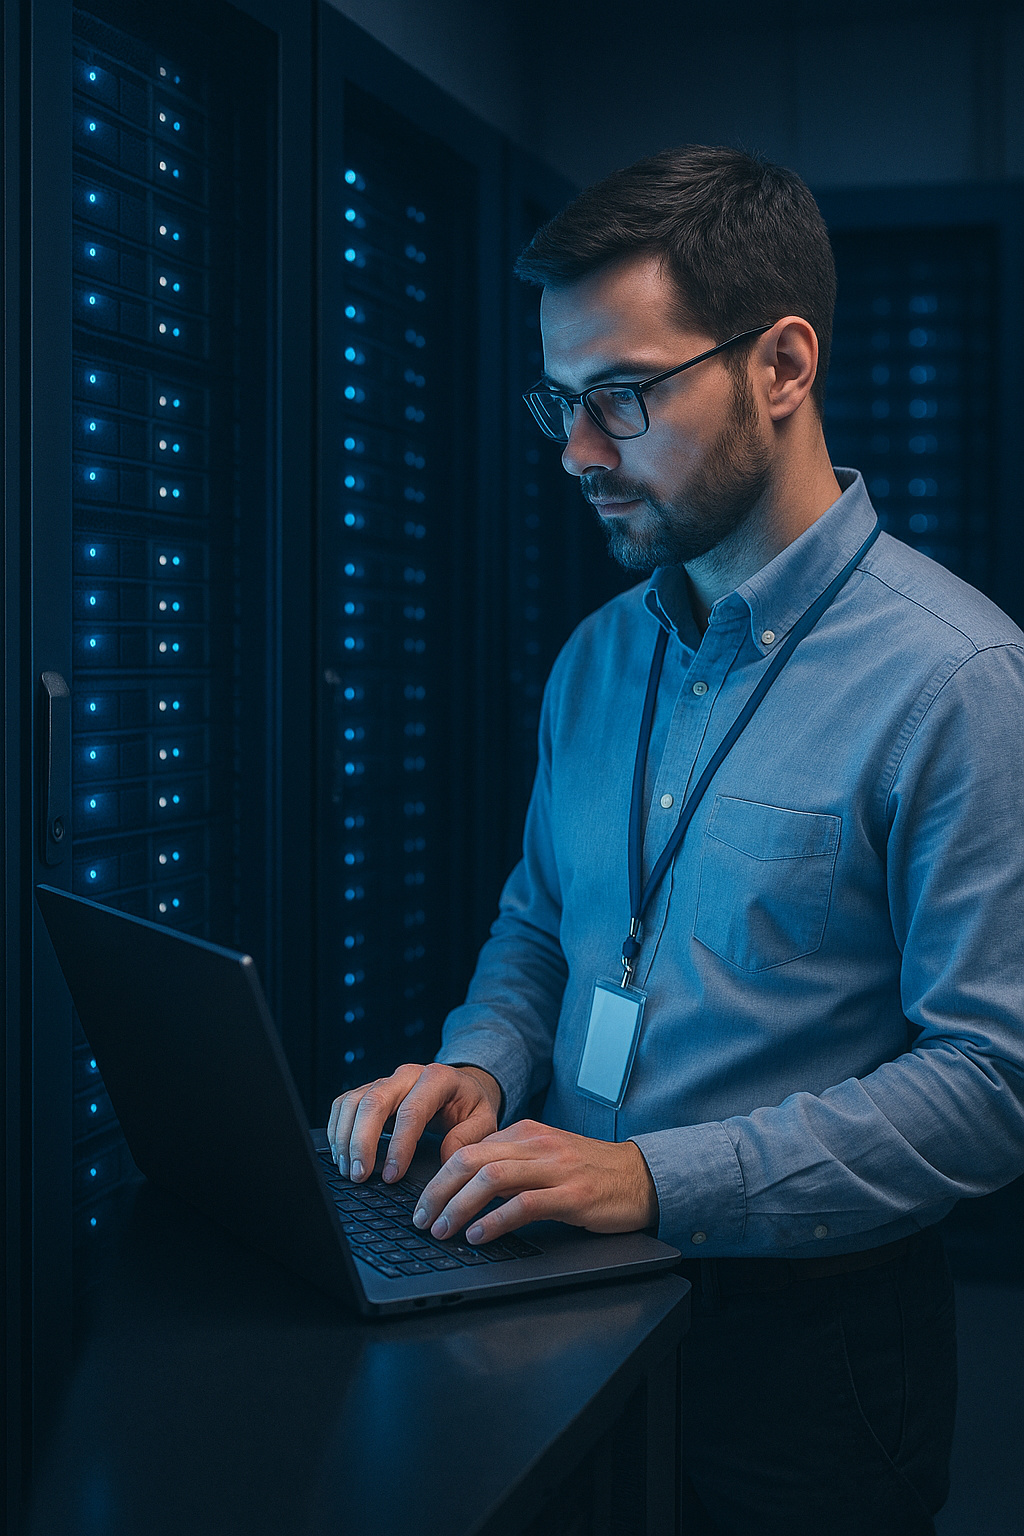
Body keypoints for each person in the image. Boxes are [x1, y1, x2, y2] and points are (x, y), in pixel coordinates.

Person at [328, 145, 1024, 1534]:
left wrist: (654, 1178)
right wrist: (482, 1065)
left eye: (624, 397)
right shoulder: (599, 656)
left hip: (809, 1348)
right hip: (552, 1279)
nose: (578, 453)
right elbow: (542, 923)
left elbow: (994, 1081)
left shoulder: (960, 682)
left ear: (783, 366)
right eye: (562, 402)